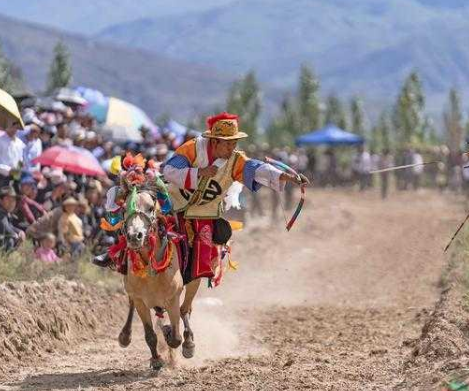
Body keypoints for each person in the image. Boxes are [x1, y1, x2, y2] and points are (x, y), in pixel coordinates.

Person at [94, 113, 309, 285]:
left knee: (205, 257)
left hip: (204, 214)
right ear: (214, 141)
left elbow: (257, 169)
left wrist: (287, 176)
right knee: (139, 215)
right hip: (173, 205)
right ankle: (117, 255)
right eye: (227, 143)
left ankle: (185, 293)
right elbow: (169, 170)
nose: (232, 147)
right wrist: (198, 173)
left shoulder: (235, 159)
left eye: (234, 142)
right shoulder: (192, 148)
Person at [0, 121, 25, 187]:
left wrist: (19, 168)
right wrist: (8, 170)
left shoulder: (19, 142)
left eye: (16, 127)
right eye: (11, 127)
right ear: (6, 127)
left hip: (15, 177)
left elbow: (20, 159)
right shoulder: (1, 140)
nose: (14, 129)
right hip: (2, 175)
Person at [0, 187, 25, 252]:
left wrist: (19, 231)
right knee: (10, 240)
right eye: (8, 199)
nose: (11, 203)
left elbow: (10, 226)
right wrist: (15, 235)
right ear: (1, 200)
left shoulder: (6, 212)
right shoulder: (1, 213)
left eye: (13, 200)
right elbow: (5, 227)